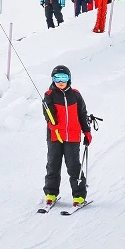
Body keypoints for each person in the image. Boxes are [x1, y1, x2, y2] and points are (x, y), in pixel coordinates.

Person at [41, 65, 91, 209]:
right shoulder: (49, 95)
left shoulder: (75, 95)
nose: (61, 81)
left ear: (69, 79)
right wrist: (53, 124)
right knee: (53, 165)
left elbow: (82, 114)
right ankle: (51, 193)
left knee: (74, 166)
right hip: (55, 136)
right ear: (53, 79)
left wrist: (87, 132)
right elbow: (48, 115)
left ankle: (79, 196)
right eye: (57, 78)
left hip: (72, 137)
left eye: (64, 78)